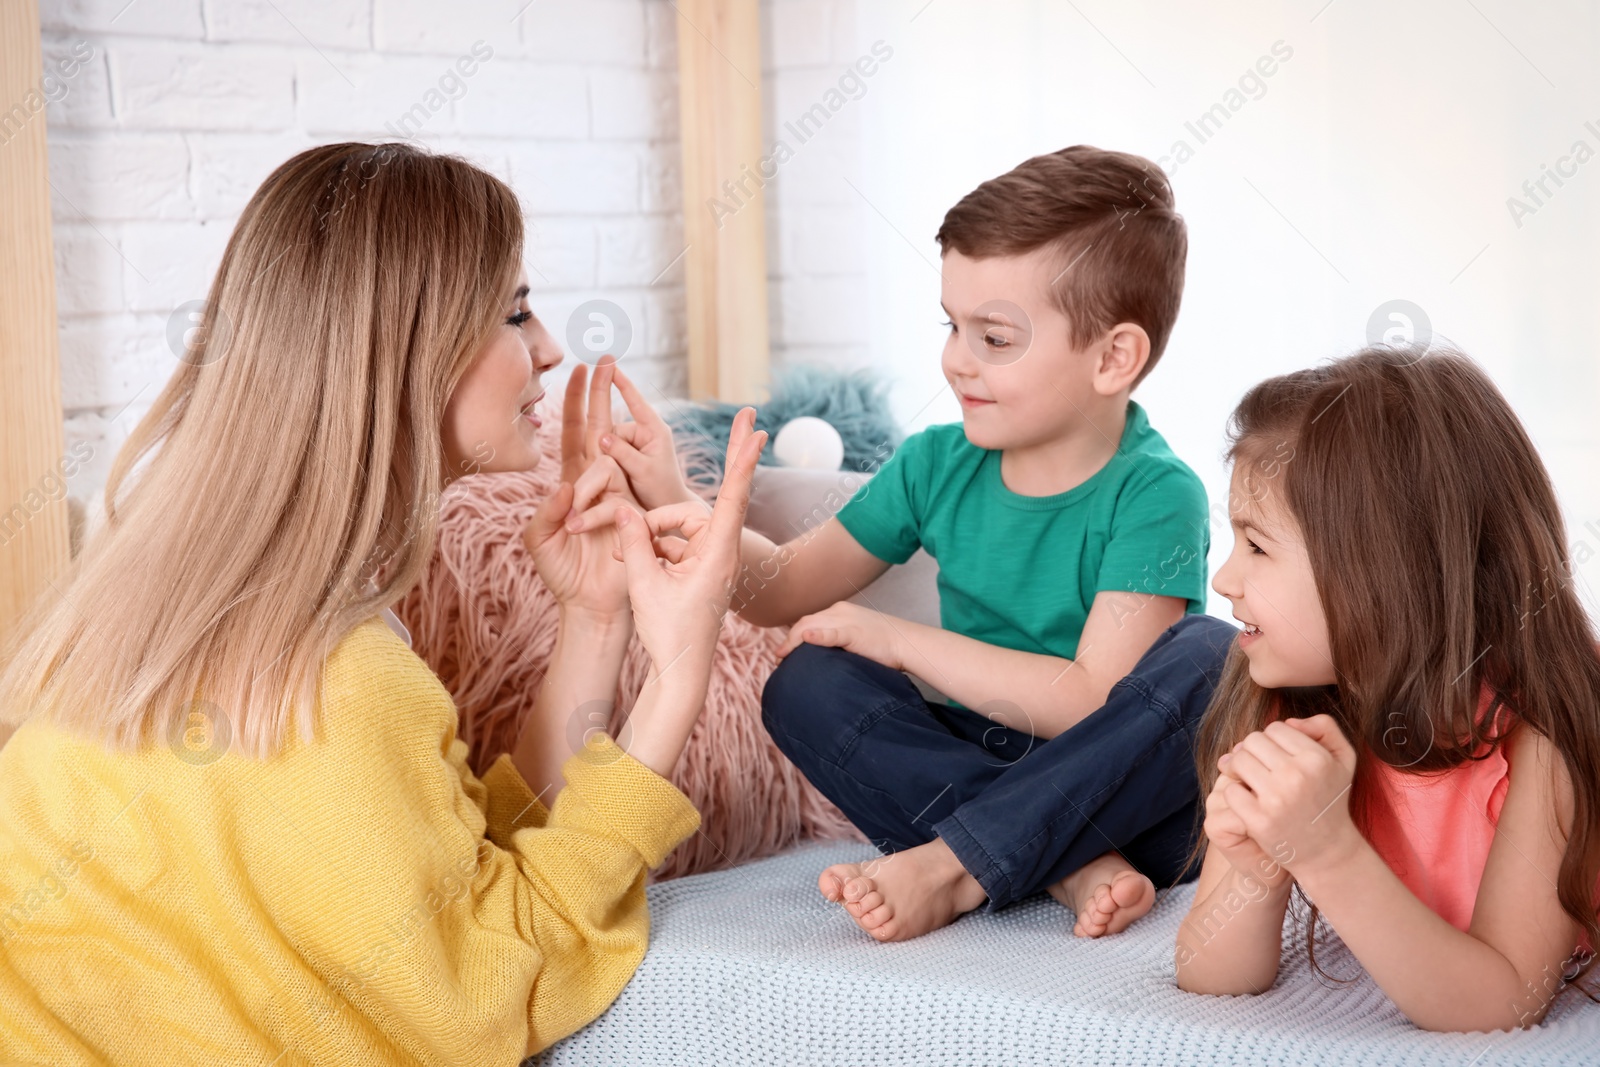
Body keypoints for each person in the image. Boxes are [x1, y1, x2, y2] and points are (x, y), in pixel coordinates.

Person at [0, 141, 765, 1064]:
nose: (551, 349)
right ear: (408, 352)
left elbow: (457, 867)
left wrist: (596, 618)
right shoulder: (341, 671)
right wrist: (679, 669)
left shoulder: (154, 614)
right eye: (514, 311)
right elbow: (483, 995)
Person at [567, 145, 1237, 942]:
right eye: (952, 326)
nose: (957, 359)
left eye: (994, 337)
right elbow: (779, 588)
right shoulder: (935, 464)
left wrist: (895, 639)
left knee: (1211, 655)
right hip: (979, 765)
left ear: (1113, 356)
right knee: (806, 683)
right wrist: (678, 496)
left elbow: (1092, 698)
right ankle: (1053, 857)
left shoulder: (1156, 493)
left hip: (1126, 795)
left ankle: (959, 860)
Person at [1175, 344, 1600, 1032]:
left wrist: (1326, 851)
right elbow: (1210, 972)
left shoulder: (1546, 735)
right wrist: (1255, 868)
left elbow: (1506, 1001)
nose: (1223, 579)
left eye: (1255, 545)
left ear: (1382, 574)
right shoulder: (1290, 700)